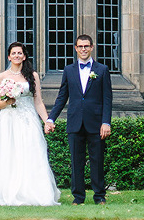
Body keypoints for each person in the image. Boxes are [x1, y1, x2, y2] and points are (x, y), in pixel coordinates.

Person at [0, 40, 60, 206]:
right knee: (8, 154)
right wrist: (9, 100)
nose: (17, 55)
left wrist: (47, 121)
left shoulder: (33, 76)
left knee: (32, 152)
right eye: (14, 53)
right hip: (8, 120)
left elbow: (38, 101)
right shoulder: (2, 77)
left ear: (24, 56)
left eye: (20, 53)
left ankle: (34, 192)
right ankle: (5, 190)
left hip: (28, 119)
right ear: (9, 57)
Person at [44, 34, 112, 205]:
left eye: (86, 46)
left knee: (97, 160)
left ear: (91, 47)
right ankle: (78, 197)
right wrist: (51, 118)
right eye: (80, 46)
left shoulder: (102, 70)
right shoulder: (68, 70)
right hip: (75, 122)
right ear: (75, 48)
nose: (83, 49)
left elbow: (107, 99)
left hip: (96, 123)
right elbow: (62, 97)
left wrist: (106, 122)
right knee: (76, 162)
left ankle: (99, 196)